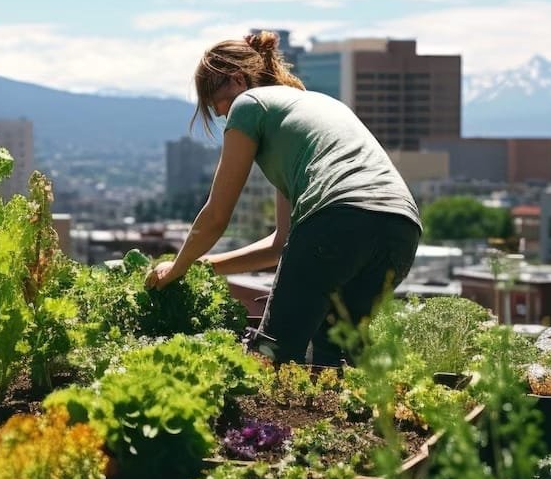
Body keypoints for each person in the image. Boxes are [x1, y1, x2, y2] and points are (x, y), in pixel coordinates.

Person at [144, 31, 422, 366]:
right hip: (401, 228)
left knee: (272, 353)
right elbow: (282, 242)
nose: (219, 114)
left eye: (214, 101)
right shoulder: (307, 109)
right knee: (337, 355)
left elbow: (217, 214)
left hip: (338, 218)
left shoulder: (249, 104)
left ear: (237, 79)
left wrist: (176, 268)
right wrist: (201, 267)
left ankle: (253, 419)